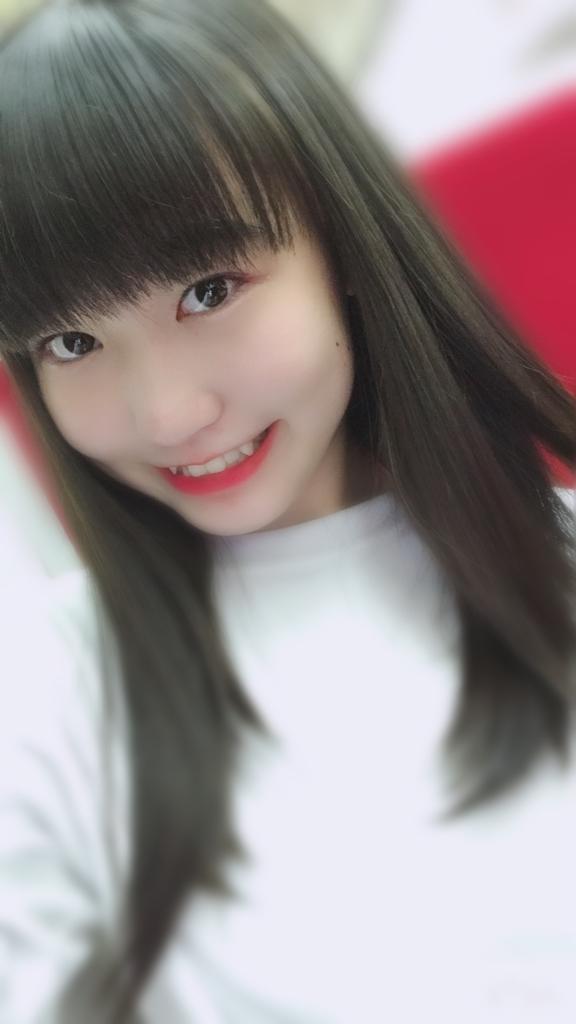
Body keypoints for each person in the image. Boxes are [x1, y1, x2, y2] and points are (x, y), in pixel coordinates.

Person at [0, 1, 575, 1022]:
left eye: (209, 290)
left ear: (341, 241)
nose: (167, 413)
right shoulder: (43, 693)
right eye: (72, 344)